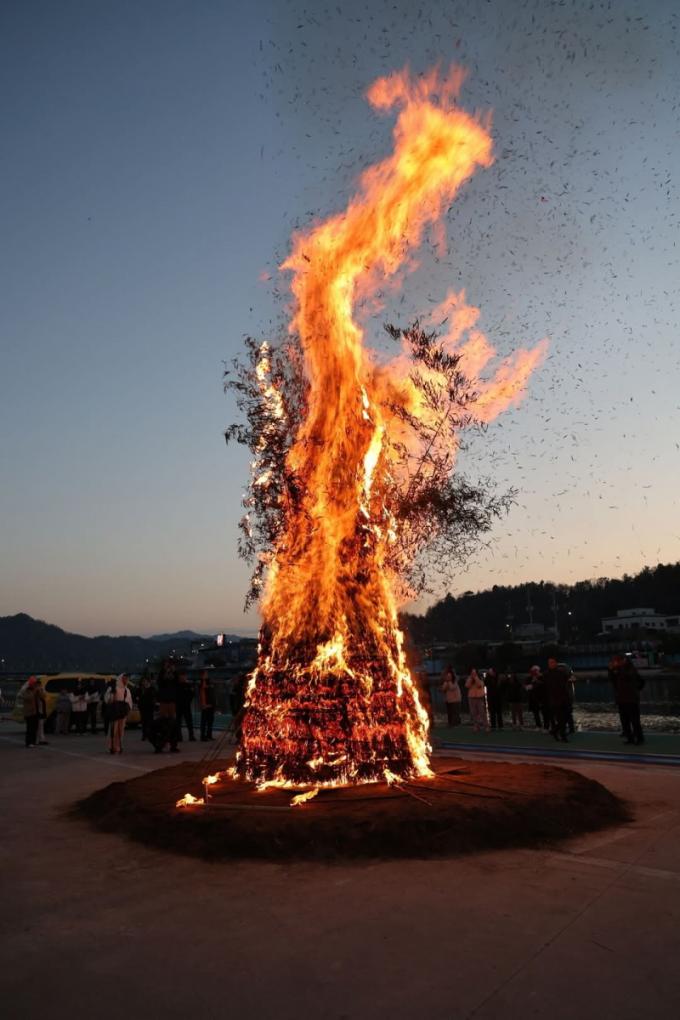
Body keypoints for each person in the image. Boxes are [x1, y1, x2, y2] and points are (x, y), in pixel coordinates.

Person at [609, 654, 645, 745]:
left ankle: (639, 738)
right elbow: (613, 680)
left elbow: (631, 677)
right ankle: (630, 738)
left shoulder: (629, 669)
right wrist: (611, 670)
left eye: (617, 661)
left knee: (634, 720)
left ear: (623, 660)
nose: (615, 663)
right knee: (624, 721)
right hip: (622, 699)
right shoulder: (618, 670)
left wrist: (635, 690)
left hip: (631, 699)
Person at [104, 673, 133, 754]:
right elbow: (107, 699)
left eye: (127, 679)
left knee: (121, 730)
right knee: (113, 730)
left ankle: (119, 746)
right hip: (115, 712)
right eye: (124, 678)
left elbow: (129, 701)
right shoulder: (113, 688)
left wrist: (128, 710)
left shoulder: (127, 690)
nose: (126, 680)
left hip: (122, 713)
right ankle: (111, 746)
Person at [155, 661, 180, 753]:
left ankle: (173, 744)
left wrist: (174, 671)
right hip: (164, 701)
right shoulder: (162, 676)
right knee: (163, 723)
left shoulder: (174, 677)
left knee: (172, 724)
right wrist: (163, 670)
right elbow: (159, 682)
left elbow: (177, 683)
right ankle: (162, 744)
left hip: (171, 701)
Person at [544, 657, 571, 742]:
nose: (550, 664)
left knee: (565, 717)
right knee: (560, 718)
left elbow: (567, 680)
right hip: (554, 700)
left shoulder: (561, 672)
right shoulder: (546, 674)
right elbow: (546, 687)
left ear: (556, 663)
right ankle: (562, 735)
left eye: (552, 662)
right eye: (549, 663)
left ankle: (555, 731)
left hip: (563, 698)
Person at [176, 672, 196, 741]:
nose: (182, 678)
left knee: (189, 721)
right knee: (178, 722)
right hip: (178, 706)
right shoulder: (176, 685)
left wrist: (188, 701)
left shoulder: (188, 685)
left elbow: (192, 694)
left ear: (185, 677)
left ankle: (191, 736)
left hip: (186, 705)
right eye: (181, 677)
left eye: (184, 677)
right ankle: (179, 737)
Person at [22, 676, 40, 748]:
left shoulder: (36, 690)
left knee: (35, 727)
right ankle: (28, 742)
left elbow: (42, 696)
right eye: (34, 683)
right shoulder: (26, 690)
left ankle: (33, 742)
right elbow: (28, 698)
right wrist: (35, 691)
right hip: (29, 712)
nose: (35, 685)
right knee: (30, 728)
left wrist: (40, 691)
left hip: (36, 712)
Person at [199, 671, 216, 741]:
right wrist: (203, 704)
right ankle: (203, 736)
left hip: (211, 704)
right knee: (204, 721)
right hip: (205, 705)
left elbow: (212, 692)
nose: (206, 675)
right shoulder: (201, 682)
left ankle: (209, 735)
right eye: (205, 674)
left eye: (206, 674)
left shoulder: (209, 682)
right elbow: (202, 692)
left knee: (210, 721)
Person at [138, 676, 156, 742]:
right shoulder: (141, 689)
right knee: (144, 722)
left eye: (145, 681)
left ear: (148, 682)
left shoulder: (152, 689)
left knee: (150, 722)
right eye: (143, 681)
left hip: (150, 708)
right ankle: (144, 735)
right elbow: (137, 696)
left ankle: (150, 735)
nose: (144, 683)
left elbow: (153, 697)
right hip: (142, 708)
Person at [35, 678, 49, 745]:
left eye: (40, 685)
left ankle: (42, 739)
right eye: (38, 685)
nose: (40, 686)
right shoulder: (35, 692)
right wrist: (40, 690)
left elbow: (44, 695)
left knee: (41, 726)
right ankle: (37, 740)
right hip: (36, 712)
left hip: (41, 712)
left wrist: (42, 689)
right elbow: (42, 695)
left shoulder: (41, 692)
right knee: (37, 727)